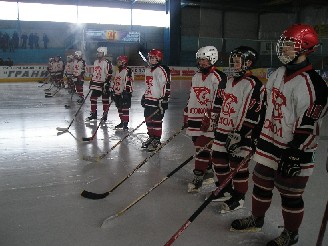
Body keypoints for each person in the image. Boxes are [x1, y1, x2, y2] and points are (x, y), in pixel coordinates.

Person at [230, 24, 328, 246]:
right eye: (283, 45)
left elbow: (309, 123)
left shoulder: (315, 84)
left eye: (289, 46)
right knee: (261, 184)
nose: (283, 50)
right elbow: (267, 107)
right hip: (268, 142)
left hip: (295, 149)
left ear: (305, 48)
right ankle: (256, 219)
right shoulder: (278, 73)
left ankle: (291, 234)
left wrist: (295, 152)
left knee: (290, 195)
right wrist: (254, 133)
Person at [210, 46, 265, 212]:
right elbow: (219, 103)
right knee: (218, 159)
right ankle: (225, 189)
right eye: (232, 61)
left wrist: (240, 134)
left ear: (248, 63)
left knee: (237, 166)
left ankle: (239, 198)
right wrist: (213, 120)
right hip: (223, 129)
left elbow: (254, 113)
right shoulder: (227, 80)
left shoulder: (254, 84)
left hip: (241, 134)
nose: (234, 64)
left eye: (237, 61)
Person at [184, 46, 227, 193]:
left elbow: (220, 101)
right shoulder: (196, 76)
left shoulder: (218, 77)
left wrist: (212, 119)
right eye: (200, 59)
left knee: (201, 148)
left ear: (212, 59)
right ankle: (208, 170)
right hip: (194, 117)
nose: (201, 62)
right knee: (197, 144)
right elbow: (191, 96)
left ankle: (198, 176)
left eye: (205, 60)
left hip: (207, 119)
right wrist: (186, 113)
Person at [141, 49, 171, 151]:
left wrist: (164, 99)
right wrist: (144, 96)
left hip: (158, 100)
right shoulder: (147, 69)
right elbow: (147, 85)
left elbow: (166, 85)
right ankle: (151, 137)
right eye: (151, 58)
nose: (152, 60)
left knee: (157, 120)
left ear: (159, 59)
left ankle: (157, 139)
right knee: (148, 119)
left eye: (154, 58)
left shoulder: (162, 69)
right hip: (149, 99)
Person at [87, 47, 113, 121]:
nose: (98, 54)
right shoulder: (96, 62)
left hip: (104, 84)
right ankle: (94, 114)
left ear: (104, 53)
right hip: (96, 83)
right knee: (93, 98)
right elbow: (95, 72)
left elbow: (110, 73)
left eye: (100, 53)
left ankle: (105, 115)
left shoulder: (107, 62)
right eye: (98, 52)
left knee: (105, 100)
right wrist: (92, 81)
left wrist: (107, 83)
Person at [112, 55, 134, 130]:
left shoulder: (128, 70)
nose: (117, 63)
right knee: (119, 108)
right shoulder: (117, 71)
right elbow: (115, 81)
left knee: (125, 108)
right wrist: (113, 90)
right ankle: (122, 122)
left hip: (125, 93)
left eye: (119, 61)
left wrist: (126, 92)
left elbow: (129, 82)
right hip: (117, 92)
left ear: (124, 62)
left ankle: (125, 124)